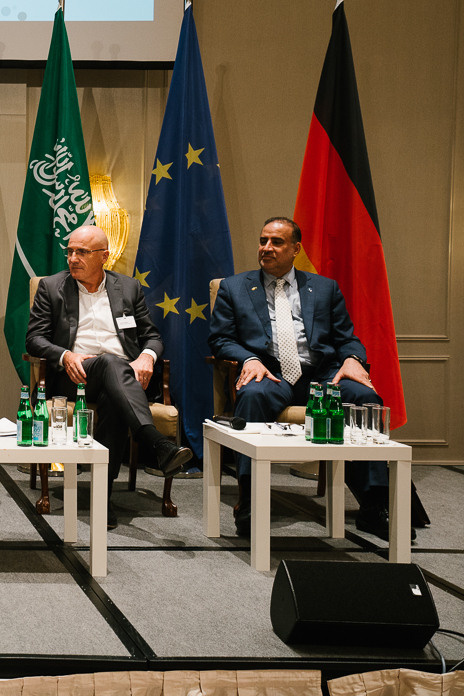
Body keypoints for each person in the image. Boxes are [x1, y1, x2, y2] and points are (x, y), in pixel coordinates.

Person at [208, 216, 398, 539]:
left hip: (321, 378)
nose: (266, 248)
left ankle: (374, 504)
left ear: (296, 248)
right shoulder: (234, 287)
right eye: (263, 240)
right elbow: (220, 339)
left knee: (365, 396)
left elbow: (346, 337)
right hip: (270, 375)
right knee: (252, 397)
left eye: (276, 242)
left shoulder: (324, 289)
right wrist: (249, 358)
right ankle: (250, 500)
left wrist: (353, 358)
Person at [25, 225, 193, 529]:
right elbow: (34, 339)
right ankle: (153, 441)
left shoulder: (127, 288)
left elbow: (152, 337)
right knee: (110, 364)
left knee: (115, 389)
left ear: (105, 256)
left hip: (122, 380)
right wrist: (66, 355)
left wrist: (146, 356)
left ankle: (102, 496)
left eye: (82, 252)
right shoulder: (52, 287)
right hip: (74, 378)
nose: (73, 258)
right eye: (70, 251)